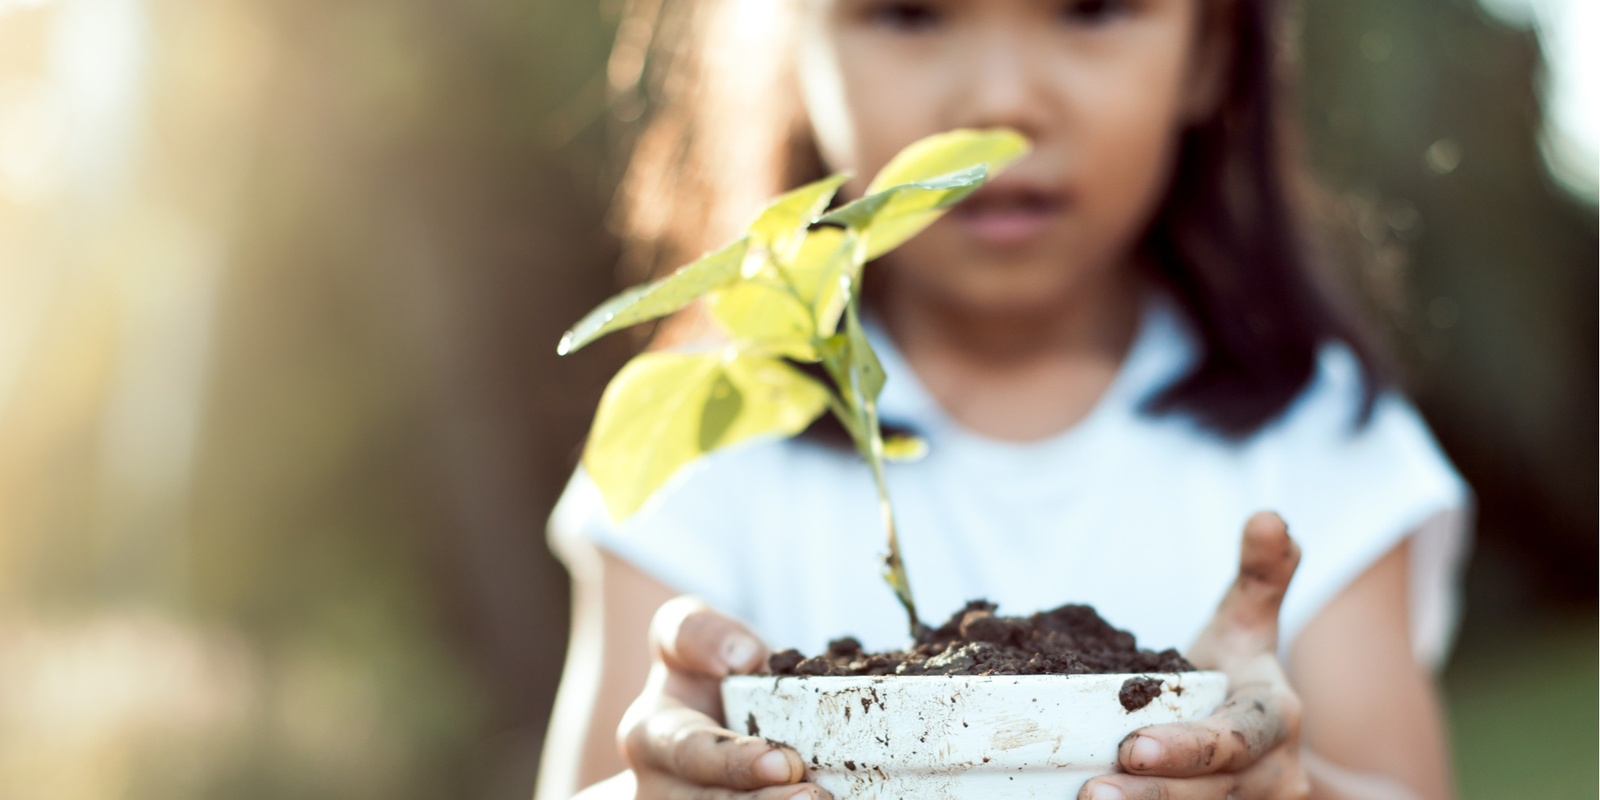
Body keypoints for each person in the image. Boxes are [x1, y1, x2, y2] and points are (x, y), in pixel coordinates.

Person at [536, 1, 1470, 798]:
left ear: (1212, 53)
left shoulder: (1315, 435)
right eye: (909, 11)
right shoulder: (705, 455)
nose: (1001, 99)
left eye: (1091, 7)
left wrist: (1291, 786)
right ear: (794, 47)